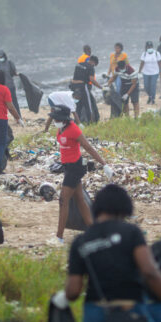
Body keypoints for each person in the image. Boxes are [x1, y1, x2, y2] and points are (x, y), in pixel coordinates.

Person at [52, 184, 161, 322]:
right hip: (129, 312)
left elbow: (73, 291)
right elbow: (150, 272)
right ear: (124, 208)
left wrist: (61, 297)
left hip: (94, 317)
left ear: (98, 207)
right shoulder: (131, 233)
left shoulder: (81, 242)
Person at [49, 104, 113, 243]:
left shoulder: (74, 130)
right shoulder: (60, 129)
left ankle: (59, 237)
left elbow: (88, 147)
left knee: (63, 200)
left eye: (57, 119)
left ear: (65, 119)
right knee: (80, 200)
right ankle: (94, 231)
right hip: (67, 166)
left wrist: (104, 164)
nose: (55, 121)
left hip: (75, 168)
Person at [71, 55, 103, 124]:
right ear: (94, 62)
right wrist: (101, 87)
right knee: (88, 105)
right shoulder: (90, 67)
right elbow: (92, 80)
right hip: (82, 87)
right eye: (95, 65)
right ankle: (91, 123)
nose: (94, 66)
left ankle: (76, 123)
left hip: (73, 86)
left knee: (78, 106)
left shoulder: (78, 64)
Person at [0, 50, 21, 115]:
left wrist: (18, 74)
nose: (0, 58)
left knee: (14, 102)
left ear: (4, 56)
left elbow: (14, 73)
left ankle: (18, 116)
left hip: (10, 86)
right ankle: (3, 116)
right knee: (2, 103)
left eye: (1, 57)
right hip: (2, 87)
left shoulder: (9, 63)